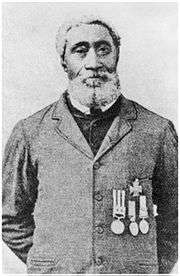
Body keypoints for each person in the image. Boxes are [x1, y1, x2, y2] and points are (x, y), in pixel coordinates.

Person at [2, 16, 178, 274]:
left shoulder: (157, 130)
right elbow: (10, 219)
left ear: (116, 57)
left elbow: (176, 216)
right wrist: (53, 262)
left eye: (103, 49)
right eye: (80, 51)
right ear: (65, 62)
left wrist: (145, 267)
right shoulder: (29, 132)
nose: (94, 63)